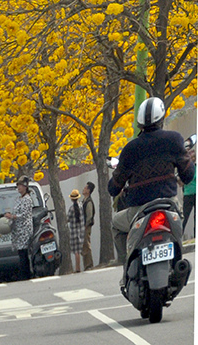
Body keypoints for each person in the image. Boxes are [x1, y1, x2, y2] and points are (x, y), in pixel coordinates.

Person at [108, 97, 194, 261]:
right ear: (162, 118)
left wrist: (115, 180)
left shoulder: (129, 150)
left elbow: (113, 188)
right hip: (169, 205)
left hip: (138, 212)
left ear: (139, 123)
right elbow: (188, 175)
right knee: (177, 230)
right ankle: (177, 259)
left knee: (115, 224)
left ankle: (126, 263)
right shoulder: (174, 140)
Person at [4, 175, 34, 281]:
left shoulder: (27, 199)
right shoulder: (18, 199)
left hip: (24, 229)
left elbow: (24, 215)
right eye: (18, 186)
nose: (19, 188)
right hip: (17, 230)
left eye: (21, 185)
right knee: (20, 252)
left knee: (24, 252)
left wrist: (13, 217)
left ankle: (26, 274)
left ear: (25, 186)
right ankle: (23, 273)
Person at [67, 190, 84, 273]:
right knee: (79, 250)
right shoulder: (81, 206)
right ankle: (78, 267)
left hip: (73, 231)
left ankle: (77, 268)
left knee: (75, 251)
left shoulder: (71, 209)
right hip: (80, 231)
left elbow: (68, 219)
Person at [182, 136, 196, 239]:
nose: (193, 156)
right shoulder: (187, 167)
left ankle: (196, 236)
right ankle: (180, 236)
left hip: (193, 194)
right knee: (185, 217)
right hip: (188, 194)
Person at [81, 182, 96, 270]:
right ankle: (86, 264)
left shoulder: (89, 202)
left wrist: (86, 226)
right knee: (84, 246)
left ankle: (89, 265)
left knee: (86, 245)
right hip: (83, 226)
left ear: (89, 190)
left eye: (86, 188)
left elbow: (89, 215)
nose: (84, 189)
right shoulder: (84, 201)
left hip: (86, 227)